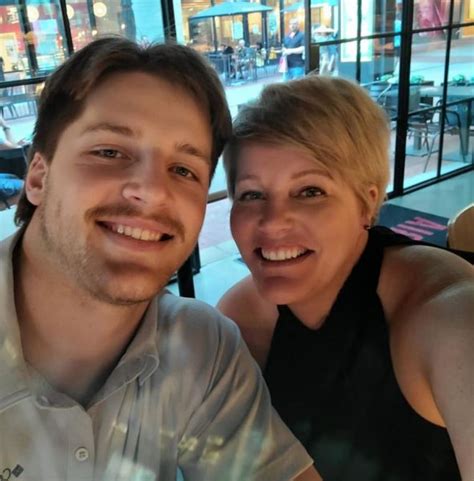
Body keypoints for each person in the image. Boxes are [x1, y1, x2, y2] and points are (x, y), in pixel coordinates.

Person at [0, 37, 323, 481]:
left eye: (184, 170)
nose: (152, 191)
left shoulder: (201, 347)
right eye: (109, 152)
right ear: (38, 176)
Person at [218, 76, 473, 481]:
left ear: (366, 203)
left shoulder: (443, 312)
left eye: (310, 191)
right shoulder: (237, 318)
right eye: (251, 194)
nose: (272, 222)